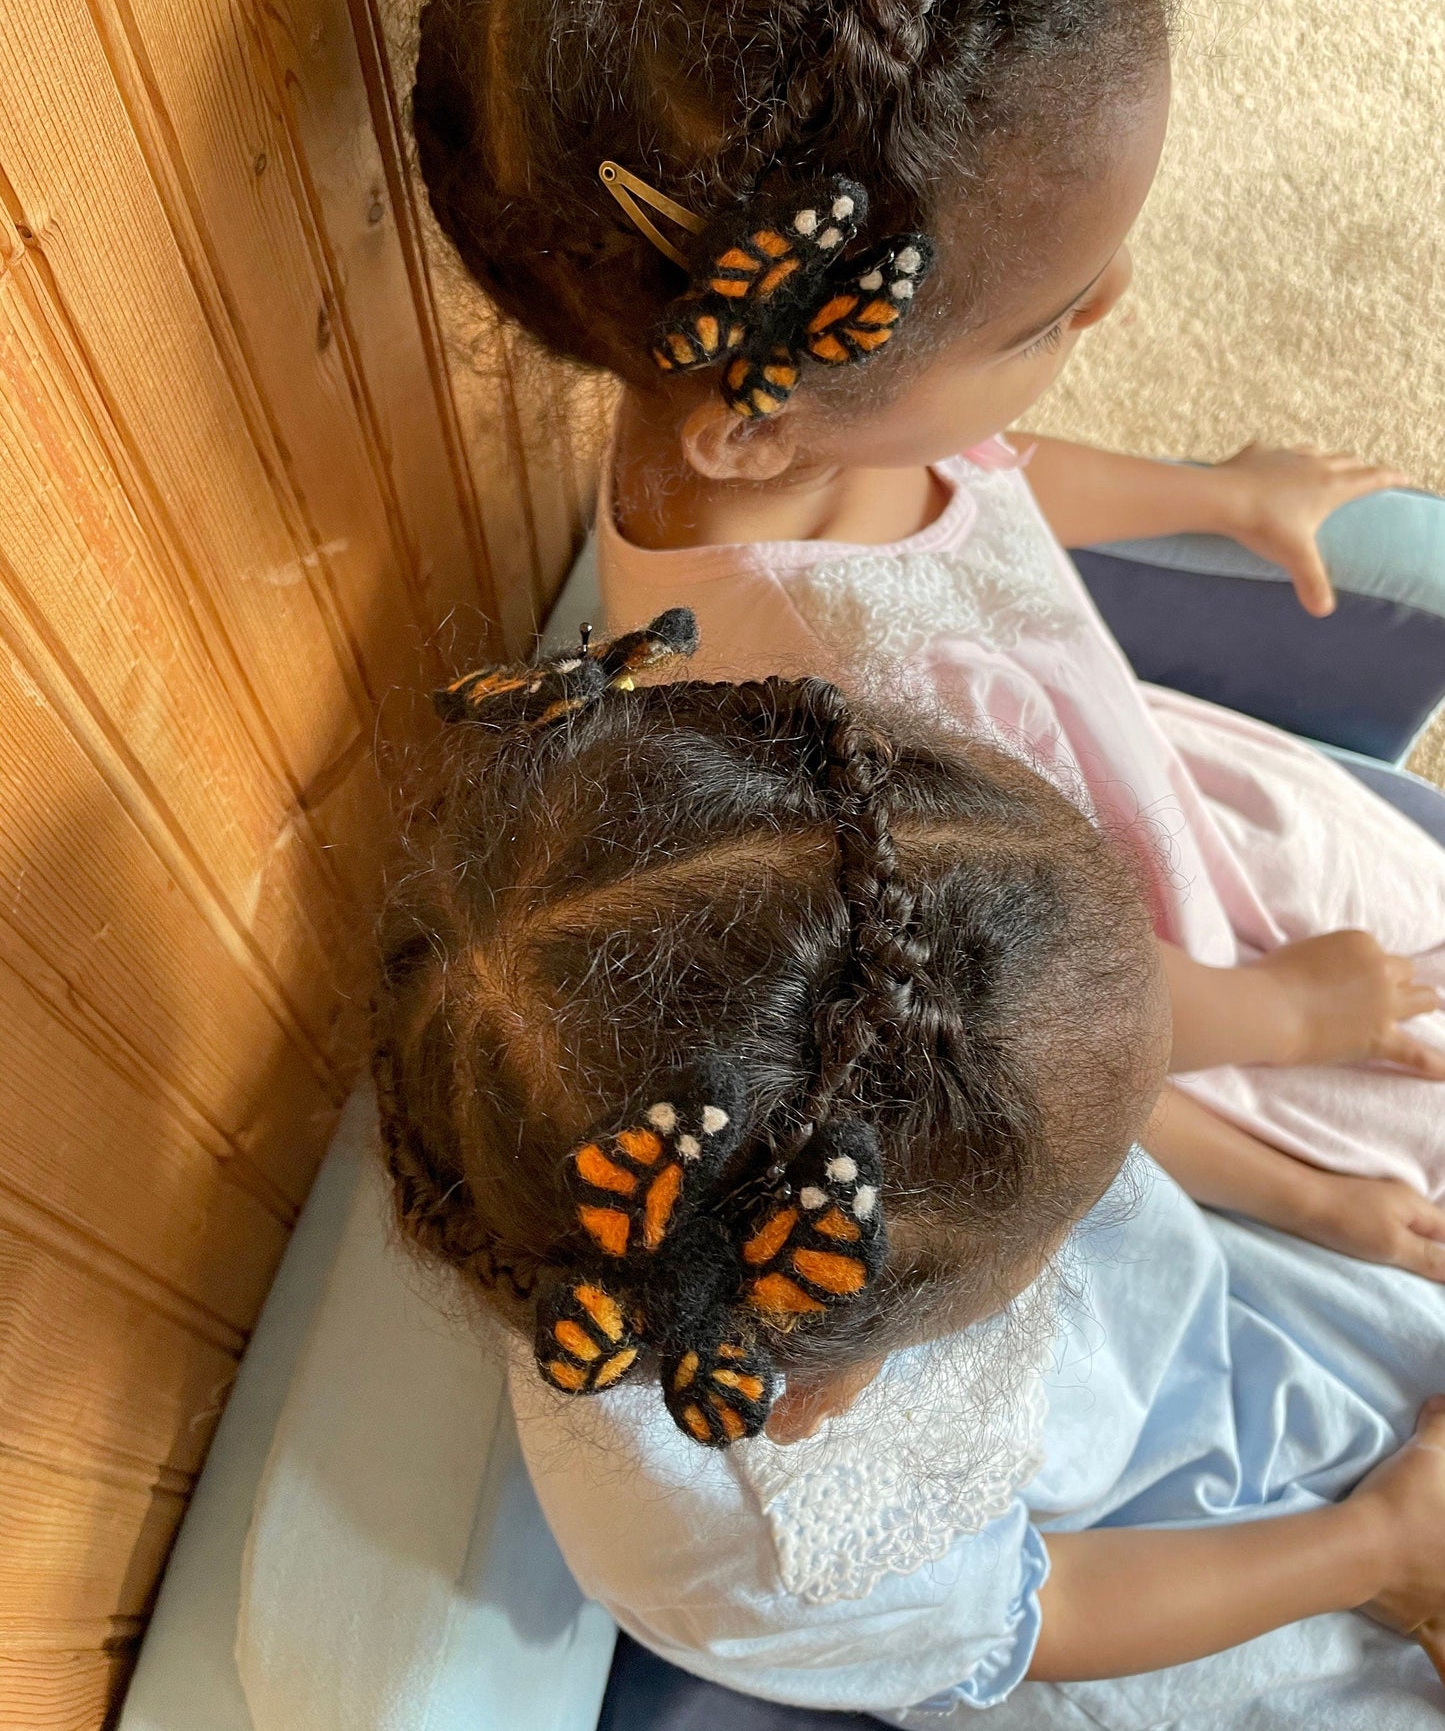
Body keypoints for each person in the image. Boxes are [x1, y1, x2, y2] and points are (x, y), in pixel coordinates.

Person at [410, 0, 1445, 1267]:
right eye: (1044, 316)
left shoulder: (785, 405)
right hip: (1111, 991)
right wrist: (1290, 1092)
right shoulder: (800, 694)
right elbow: (1010, 1020)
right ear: (758, 429)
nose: (1116, 300)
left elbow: (992, 475)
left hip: (1139, 791)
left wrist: (1213, 493)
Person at [374, 619, 1445, 1723]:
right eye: (1071, 1205)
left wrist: (1318, 1203)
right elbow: (1051, 1609)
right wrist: (1371, 1547)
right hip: (1133, 1578)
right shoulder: (762, 1551)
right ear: (819, 1390)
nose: (1098, 1196)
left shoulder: (870, 1118)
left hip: (1177, 1338)